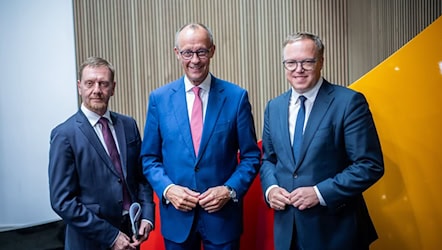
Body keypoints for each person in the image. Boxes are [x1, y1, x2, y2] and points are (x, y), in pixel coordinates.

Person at [140, 23, 261, 250]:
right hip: (177, 218)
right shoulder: (159, 99)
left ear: (212, 51)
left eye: (201, 51)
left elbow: (251, 157)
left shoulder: (236, 97)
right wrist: (168, 190)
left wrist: (229, 189)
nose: (194, 60)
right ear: (177, 53)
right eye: (187, 52)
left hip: (222, 218)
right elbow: (149, 158)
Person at [260, 32, 384, 250]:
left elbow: (369, 165)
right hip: (288, 231)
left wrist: (320, 193)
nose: (298, 69)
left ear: (321, 62)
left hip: (336, 232)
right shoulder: (274, 107)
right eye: (291, 63)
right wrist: (271, 189)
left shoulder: (348, 102)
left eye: (307, 61)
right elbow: (268, 160)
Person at [48, 57, 155, 250]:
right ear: (79, 87)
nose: (96, 90)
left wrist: (147, 215)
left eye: (103, 84)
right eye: (89, 83)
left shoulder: (128, 125)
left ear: (113, 88)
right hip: (90, 241)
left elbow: (141, 177)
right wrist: (111, 236)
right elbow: (62, 201)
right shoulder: (64, 135)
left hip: (132, 236)